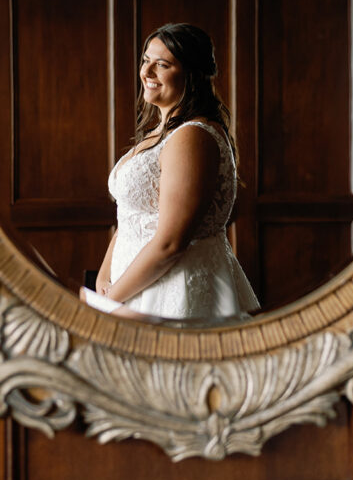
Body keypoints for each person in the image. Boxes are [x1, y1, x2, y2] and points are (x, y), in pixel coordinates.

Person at [93, 23, 259, 320]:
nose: (147, 72)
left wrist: (110, 301)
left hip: (173, 290)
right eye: (146, 60)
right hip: (132, 287)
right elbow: (131, 215)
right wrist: (105, 277)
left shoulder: (192, 137)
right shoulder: (159, 133)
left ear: (192, 75)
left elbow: (170, 243)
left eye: (162, 64)